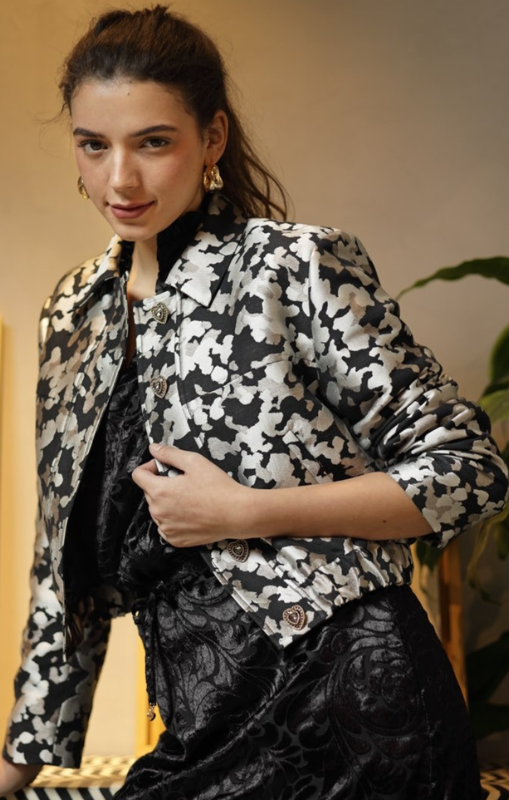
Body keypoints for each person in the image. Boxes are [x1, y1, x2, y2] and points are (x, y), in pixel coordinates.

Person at [0, 6, 507, 799]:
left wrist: (243, 511)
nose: (119, 179)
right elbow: (58, 570)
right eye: (93, 144)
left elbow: (468, 471)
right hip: (201, 719)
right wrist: (17, 763)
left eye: (153, 142)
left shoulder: (294, 267)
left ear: (212, 139)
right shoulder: (71, 313)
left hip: (355, 709)